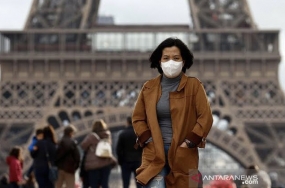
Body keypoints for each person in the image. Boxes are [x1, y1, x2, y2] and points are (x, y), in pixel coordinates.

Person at [132, 37, 213, 188]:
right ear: (159, 61)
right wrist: (148, 139)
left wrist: (189, 142)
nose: (171, 62)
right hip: (155, 152)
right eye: (166, 58)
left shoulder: (194, 86)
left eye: (176, 58)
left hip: (183, 153)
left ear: (184, 61)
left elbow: (205, 117)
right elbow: (138, 118)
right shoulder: (148, 87)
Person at [80, 119, 117, 188]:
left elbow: (83, 146)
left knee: (94, 185)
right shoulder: (107, 135)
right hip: (106, 162)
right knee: (105, 184)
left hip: (93, 165)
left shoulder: (91, 136)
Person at [116, 116, 142, 188]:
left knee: (126, 183)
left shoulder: (122, 134)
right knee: (139, 183)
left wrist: (121, 161)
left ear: (127, 122)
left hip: (126, 161)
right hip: (138, 161)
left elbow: (118, 149)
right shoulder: (139, 134)